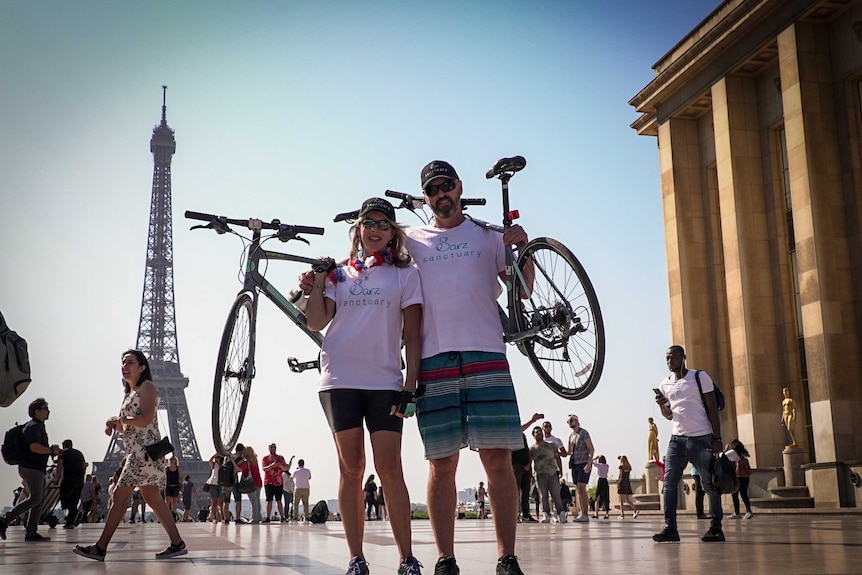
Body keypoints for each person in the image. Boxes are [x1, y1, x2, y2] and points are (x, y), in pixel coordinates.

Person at [405, 160, 531, 575]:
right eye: (432, 189)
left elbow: (524, 287)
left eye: (446, 186)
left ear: (459, 187)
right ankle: (445, 558)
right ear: (425, 197)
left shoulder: (488, 236)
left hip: (486, 354)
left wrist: (522, 247)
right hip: (433, 359)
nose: (441, 194)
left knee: (497, 460)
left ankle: (506, 556)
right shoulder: (411, 241)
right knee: (442, 464)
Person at [304, 196, 423, 575]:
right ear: (357, 229)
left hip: (386, 381)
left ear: (392, 234)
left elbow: (414, 335)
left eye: (382, 224)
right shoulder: (339, 274)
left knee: (390, 468)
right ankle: (356, 558)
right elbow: (315, 323)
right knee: (352, 468)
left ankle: (407, 558)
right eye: (367, 223)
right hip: (339, 380)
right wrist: (318, 283)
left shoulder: (406, 274)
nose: (374, 230)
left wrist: (411, 382)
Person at [73, 349, 187, 561]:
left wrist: (122, 420)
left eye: (130, 362)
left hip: (143, 455)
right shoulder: (131, 393)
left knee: (119, 496)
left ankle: (100, 547)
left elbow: (145, 420)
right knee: (152, 497)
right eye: (123, 363)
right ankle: (177, 543)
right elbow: (133, 428)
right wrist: (116, 425)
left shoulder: (147, 387)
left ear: (142, 367)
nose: (125, 366)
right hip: (137, 452)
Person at [653, 345, 724, 543]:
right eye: (667, 358)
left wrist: (717, 438)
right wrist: (662, 405)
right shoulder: (664, 385)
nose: (669, 361)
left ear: (683, 357)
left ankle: (716, 527)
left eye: (673, 357)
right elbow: (669, 415)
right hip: (677, 440)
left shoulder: (699, 377)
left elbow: (712, 408)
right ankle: (670, 528)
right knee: (668, 484)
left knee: (708, 484)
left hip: (702, 438)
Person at [0, 397, 61, 541]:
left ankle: (31, 532)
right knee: (35, 498)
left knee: (38, 500)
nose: (48, 411)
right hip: (31, 468)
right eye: (45, 408)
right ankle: (5, 520)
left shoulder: (37, 426)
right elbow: (34, 447)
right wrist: (51, 451)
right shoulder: (34, 426)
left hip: (34, 467)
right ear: (37, 411)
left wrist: (51, 450)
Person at [529, 426, 565, 524]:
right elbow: (530, 462)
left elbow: (557, 457)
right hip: (540, 474)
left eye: (540, 431)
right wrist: (531, 475)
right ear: (533, 435)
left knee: (556, 495)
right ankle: (546, 514)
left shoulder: (551, 445)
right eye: (536, 432)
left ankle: (561, 513)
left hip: (552, 473)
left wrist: (560, 469)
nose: (539, 433)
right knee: (543, 496)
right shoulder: (532, 448)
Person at [565, 414, 594, 523]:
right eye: (568, 421)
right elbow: (568, 452)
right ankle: (581, 513)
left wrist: (589, 463)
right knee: (578, 489)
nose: (570, 423)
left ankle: (585, 513)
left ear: (577, 421)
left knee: (582, 487)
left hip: (584, 463)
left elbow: (591, 449)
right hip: (575, 464)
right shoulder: (571, 436)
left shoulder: (583, 433)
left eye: (571, 420)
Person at [56, 439, 86, 529]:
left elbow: (59, 465)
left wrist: (57, 478)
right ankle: (70, 522)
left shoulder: (63, 453)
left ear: (64, 446)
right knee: (75, 499)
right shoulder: (79, 453)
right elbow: (83, 466)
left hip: (69, 478)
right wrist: (82, 476)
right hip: (79, 478)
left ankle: (74, 511)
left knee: (65, 497)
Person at [233, 445, 263, 523]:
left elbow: (238, 469)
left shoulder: (246, 463)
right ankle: (258, 516)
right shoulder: (254, 460)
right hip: (258, 482)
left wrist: (233, 461)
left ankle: (255, 518)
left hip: (251, 484)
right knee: (257, 501)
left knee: (253, 502)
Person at [262, 444, 291, 523]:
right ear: (269, 448)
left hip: (278, 482)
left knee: (279, 500)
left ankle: (282, 517)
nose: (273, 449)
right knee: (269, 500)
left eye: (274, 447)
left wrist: (280, 466)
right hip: (269, 481)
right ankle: (268, 517)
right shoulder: (265, 458)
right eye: (271, 447)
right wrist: (272, 465)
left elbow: (286, 468)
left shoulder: (280, 458)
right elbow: (264, 469)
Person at [726, 439, 753, 519]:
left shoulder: (732, 452)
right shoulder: (744, 453)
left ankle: (737, 512)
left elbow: (721, 457)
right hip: (745, 476)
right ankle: (748, 511)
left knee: (734, 494)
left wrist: (725, 450)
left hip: (737, 477)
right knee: (744, 494)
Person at [205, 454, 224, 523]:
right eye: (216, 458)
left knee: (221, 503)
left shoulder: (223, 465)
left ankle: (223, 518)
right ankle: (214, 518)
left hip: (221, 485)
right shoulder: (213, 465)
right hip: (213, 484)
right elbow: (210, 460)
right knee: (214, 503)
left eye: (218, 458)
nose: (217, 459)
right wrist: (216, 454)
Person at [591, 455, 610, 519]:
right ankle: (607, 513)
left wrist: (595, 458)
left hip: (600, 481)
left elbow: (591, 461)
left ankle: (596, 513)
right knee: (606, 497)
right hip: (605, 480)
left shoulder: (599, 465)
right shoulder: (607, 466)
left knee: (597, 497)